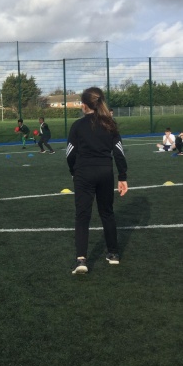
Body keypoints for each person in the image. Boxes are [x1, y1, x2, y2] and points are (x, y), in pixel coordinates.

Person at [66, 87, 128, 275]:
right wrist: (122, 177)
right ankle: (113, 254)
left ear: (84, 106)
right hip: (105, 172)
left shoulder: (77, 126)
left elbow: (70, 154)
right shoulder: (110, 124)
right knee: (107, 213)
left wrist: (73, 171)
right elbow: (119, 153)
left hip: (84, 173)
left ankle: (81, 260)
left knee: (82, 215)